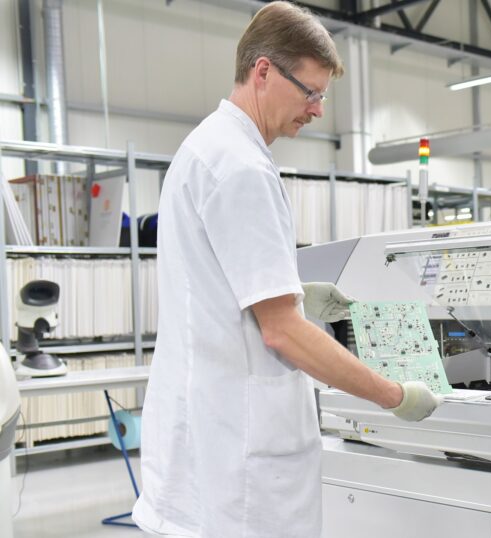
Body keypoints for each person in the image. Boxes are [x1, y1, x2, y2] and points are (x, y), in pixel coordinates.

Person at [131, 3, 442, 536]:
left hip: (208, 432)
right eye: (311, 92)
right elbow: (282, 333)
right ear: (264, 71)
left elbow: (214, 285)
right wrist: (395, 395)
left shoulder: (207, 146)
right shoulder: (242, 168)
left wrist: (291, 291)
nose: (317, 110)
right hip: (240, 455)